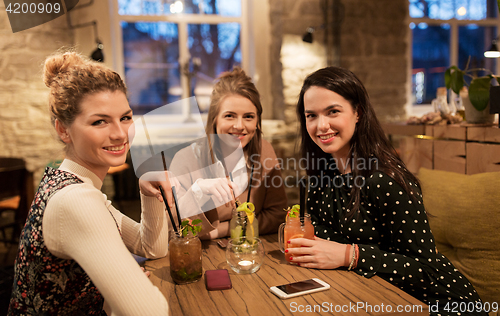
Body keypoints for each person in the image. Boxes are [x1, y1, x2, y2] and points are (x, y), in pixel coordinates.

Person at [287, 66, 486, 315]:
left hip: (437, 304)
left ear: (358, 112)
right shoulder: (321, 174)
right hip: (368, 296)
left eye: (333, 112)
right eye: (311, 116)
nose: (321, 125)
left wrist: (351, 255)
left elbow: (425, 269)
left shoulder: (385, 179)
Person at [8, 51, 172, 315]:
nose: (120, 133)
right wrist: (115, 301)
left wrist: (148, 192)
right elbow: (150, 312)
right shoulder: (75, 200)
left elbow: (150, 247)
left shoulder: (72, 184)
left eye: (126, 117)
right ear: (63, 130)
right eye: (99, 121)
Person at [169, 67, 287, 239]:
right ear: (214, 119)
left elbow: (277, 216)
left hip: (251, 254)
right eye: (230, 116)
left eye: (248, 117)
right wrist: (199, 190)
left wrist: (221, 230)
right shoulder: (185, 159)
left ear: (257, 122)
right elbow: (173, 226)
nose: (239, 126)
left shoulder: (264, 150)